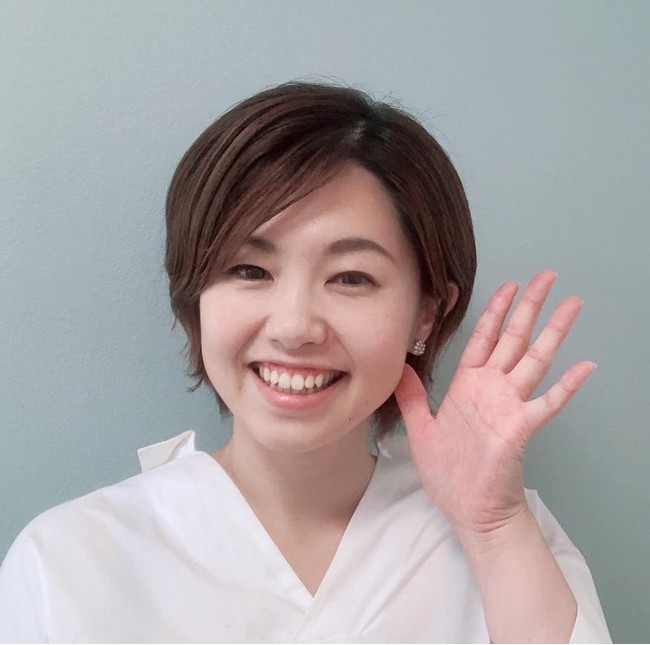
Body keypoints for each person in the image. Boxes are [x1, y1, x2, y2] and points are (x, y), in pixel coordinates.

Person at [0, 80, 611, 643]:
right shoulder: (68, 561)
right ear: (195, 293)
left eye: (351, 277)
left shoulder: (504, 533)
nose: (294, 328)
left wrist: (494, 530)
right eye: (249, 270)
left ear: (426, 313)